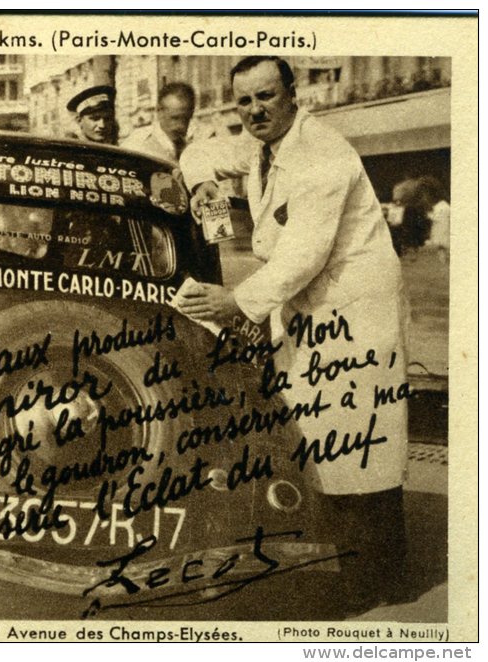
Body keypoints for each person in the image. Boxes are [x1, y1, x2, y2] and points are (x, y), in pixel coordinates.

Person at [177, 56, 409, 611]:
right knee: (317, 433)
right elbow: (197, 153)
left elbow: (304, 254)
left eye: (266, 96)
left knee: (358, 440)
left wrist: (237, 302)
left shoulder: (321, 152)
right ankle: (358, 570)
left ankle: (380, 585)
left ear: (292, 95)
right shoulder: (260, 146)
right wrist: (207, 200)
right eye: (244, 100)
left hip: (353, 310)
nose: (255, 109)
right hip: (310, 309)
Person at [122, 81, 221, 163]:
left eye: (186, 119)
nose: (180, 126)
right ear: (159, 111)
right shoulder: (136, 144)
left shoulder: (196, 142)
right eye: (174, 118)